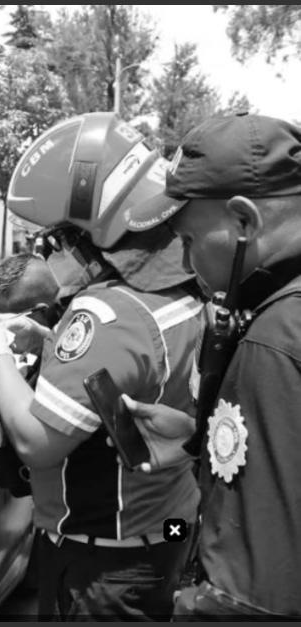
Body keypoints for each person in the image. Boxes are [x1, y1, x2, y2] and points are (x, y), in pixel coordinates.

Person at [0, 112, 204, 620]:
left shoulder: (106, 313)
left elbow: (37, 443)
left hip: (107, 561)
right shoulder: (185, 285)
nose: (47, 253)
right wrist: (52, 338)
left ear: (89, 236)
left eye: (54, 240)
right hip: (171, 528)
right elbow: (142, 368)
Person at [122, 112, 301, 619]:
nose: (184, 263)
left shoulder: (278, 339)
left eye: (189, 241)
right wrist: (201, 440)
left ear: (244, 220)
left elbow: (251, 595)